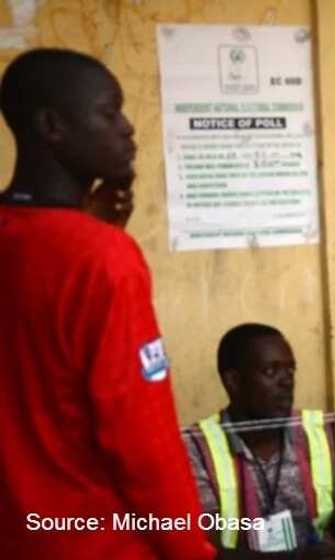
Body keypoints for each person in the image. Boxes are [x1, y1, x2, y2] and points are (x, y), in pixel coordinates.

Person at [0, 48, 214, 559]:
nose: (128, 128)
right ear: (52, 126)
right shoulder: (104, 260)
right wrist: (190, 550)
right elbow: (143, 443)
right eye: (108, 112)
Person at [184, 323, 335, 555]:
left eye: (290, 371)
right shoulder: (198, 447)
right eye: (270, 371)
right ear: (233, 382)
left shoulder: (314, 431)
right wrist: (300, 557)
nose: (287, 382)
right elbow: (209, 545)